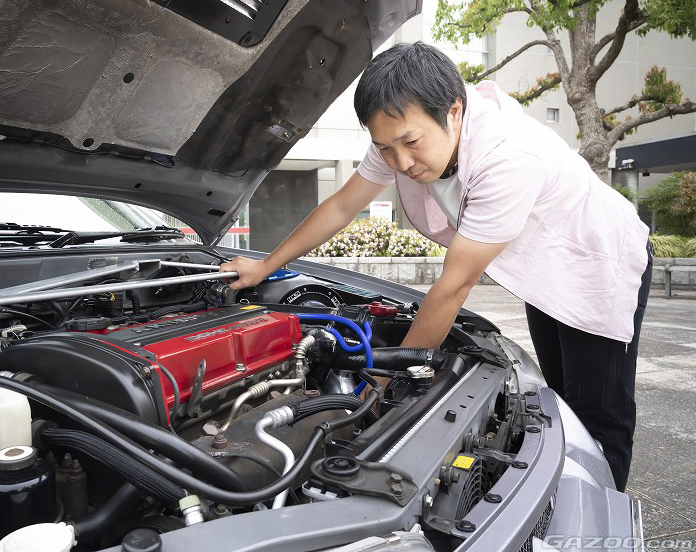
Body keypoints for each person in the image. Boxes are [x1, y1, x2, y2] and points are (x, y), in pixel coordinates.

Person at [220, 42, 651, 492]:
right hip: (544, 272)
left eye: (411, 143)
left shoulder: (508, 159)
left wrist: (380, 385)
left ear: (454, 111)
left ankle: (601, 508)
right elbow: (342, 206)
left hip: (596, 263)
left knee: (597, 416)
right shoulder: (399, 129)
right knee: (562, 397)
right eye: (385, 148)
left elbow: (453, 286)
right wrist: (264, 267)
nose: (401, 163)